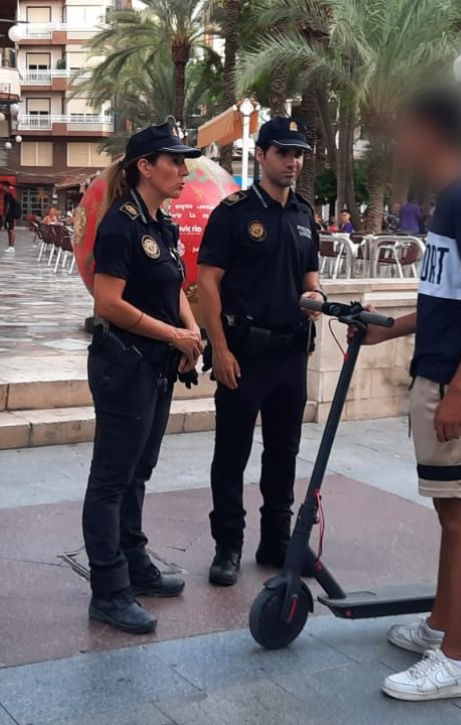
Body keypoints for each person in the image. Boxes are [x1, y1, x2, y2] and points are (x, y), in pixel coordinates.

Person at [351, 89, 461, 701]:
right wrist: (388, 328)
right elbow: (449, 301)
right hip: (438, 375)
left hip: (450, 383)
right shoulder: (452, 200)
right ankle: (441, 627)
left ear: (433, 133)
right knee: (449, 513)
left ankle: (457, 661)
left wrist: (457, 391)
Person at [82, 121, 204, 634]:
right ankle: (109, 591)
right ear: (145, 167)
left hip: (155, 367)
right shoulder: (120, 224)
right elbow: (108, 302)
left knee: (138, 472)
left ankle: (135, 564)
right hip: (124, 367)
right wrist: (173, 335)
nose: (183, 170)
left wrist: (191, 332)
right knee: (111, 480)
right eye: (174, 161)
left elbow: (173, 285)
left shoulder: (161, 224)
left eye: (184, 161)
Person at [197, 117, 324, 586]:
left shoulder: (304, 215)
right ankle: (227, 547)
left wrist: (316, 297)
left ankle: (276, 542)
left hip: (291, 355)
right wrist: (220, 349)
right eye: (283, 153)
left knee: (283, 453)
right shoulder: (232, 213)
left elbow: (310, 276)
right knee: (232, 454)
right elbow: (207, 283)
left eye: (299, 154)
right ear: (262, 155)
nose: (293, 162)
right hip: (243, 354)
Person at [2, 187, 21, 253]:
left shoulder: (8, 195)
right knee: (9, 230)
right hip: (10, 215)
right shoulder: (8, 195)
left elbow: (8, 206)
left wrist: (4, 215)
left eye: (3, 187)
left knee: (11, 230)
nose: (2, 189)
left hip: (10, 215)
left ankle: (12, 247)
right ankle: (10, 246)